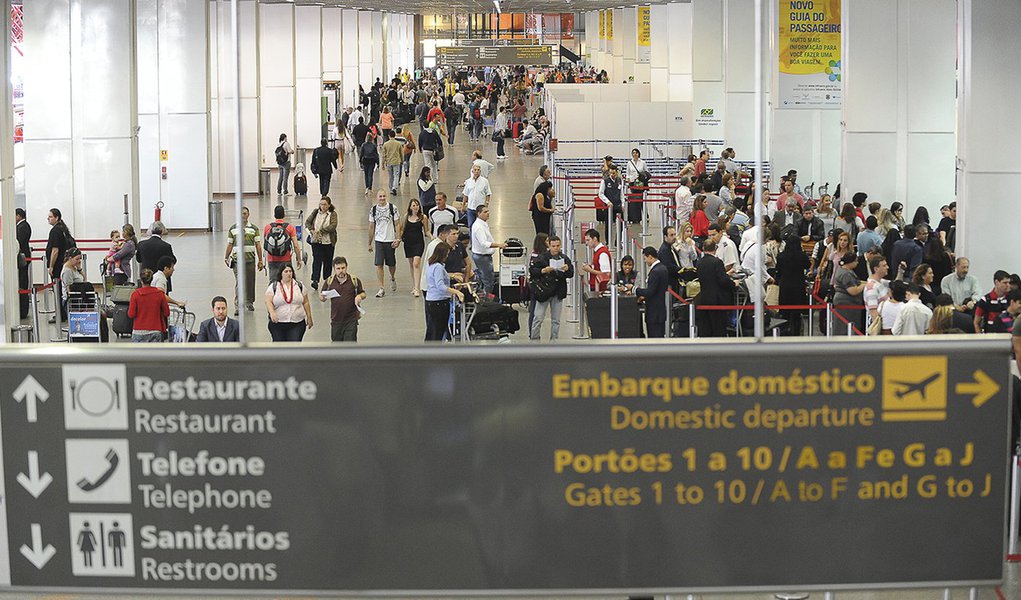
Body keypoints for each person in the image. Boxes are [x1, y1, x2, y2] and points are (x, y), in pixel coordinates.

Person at [527, 235, 573, 341]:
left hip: (558, 292)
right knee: (538, 317)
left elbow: (571, 273)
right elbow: (533, 271)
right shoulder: (542, 258)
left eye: (558, 246)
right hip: (544, 292)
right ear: (549, 245)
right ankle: (534, 339)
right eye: (553, 246)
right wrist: (543, 271)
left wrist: (567, 270)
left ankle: (554, 341)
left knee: (556, 320)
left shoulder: (564, 258)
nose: (556, 248)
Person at [224, 207, 264, 314]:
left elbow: (258, 245)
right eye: (241, 214)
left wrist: (260, 260)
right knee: (239, 282)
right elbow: (230, 244)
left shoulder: (254, 229)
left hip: (250, 260)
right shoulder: (233, 229)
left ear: (248, 215)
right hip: (237, 261)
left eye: (245, 214)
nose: (243, 216)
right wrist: (226, 257)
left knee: (250, 282)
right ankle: (238, 305)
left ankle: (249, 302)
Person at [319, 256, 366, 342]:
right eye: (338, 268)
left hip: (351, 320)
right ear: (334, 269)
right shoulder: (329, 281)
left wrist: (359, 296)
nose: (341, 270)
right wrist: (322, 297)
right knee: (337, 347)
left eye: (343, 268)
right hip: (336, 320)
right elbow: (322, 296)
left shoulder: (354, 280)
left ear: (346, 267)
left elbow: (363, 293)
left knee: (350, 345)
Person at [695, 239, 736, 337]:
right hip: (717, 301)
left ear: (703, 248)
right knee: (718, 329)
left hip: (704, 299)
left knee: (706, 329)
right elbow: (723, 280)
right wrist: (734, 284)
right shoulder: (717, 262)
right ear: (716, 248)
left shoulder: (699, 263)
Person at [424, 242, 464, 341]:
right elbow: (440, 286)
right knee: (438, 331)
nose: (447, 256)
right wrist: (456, 292)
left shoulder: (431, 265)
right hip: (439, 302)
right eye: (447, 253)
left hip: (431, 300)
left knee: (432, 331)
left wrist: (452, 287)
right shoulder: (438, 267)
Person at [265, 264, 312, 342]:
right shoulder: (274, 286)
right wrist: (272, 313)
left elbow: (306, 302)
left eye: (290, 271)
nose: (289, 273)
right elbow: (268, 301)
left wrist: (309, 317)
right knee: (280, 347)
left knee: (294, 346)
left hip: (297, 323)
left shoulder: (299, 286)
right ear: (281, 273)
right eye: (286, 271)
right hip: (278, 323)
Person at [367, 189, 400, 298]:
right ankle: (381, 287)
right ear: (377, 198)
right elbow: (371, 226)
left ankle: (392, 277)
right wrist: (369, 243)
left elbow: (397, 224)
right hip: (379, 240)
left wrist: (398, 238)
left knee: (391, 264)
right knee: (379, 264)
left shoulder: (393, 208)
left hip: (390, 240)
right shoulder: (373, 210)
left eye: (383, 196)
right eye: (380, 196)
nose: (382, 198)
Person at [775, 239, 811, 336]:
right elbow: (808, 265)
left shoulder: (781, 256)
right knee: (797, 313)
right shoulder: (802, 256)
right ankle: (796, 333)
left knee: (785, 312)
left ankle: (785, 332)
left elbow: (778, 270)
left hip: (785, 286)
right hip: (798, 286)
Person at [470, 205, 506, 295]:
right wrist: (498, 245)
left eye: (488, 211)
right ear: (478, 213)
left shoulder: (483, 223)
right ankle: (487, 301)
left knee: (487, 278)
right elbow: (484, 243)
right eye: (485, 212)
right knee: (488, 281)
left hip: (484, 256)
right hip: (482, 257)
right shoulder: (478, 227)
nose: (488, 213)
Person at [304, 197, 338, 290]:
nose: (322, 206)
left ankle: (327, 280)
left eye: (324, 204)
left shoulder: (333, 214)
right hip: (316, 241)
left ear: (329, 205)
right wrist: (312, 231)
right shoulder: (315, 212)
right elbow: (307, 222)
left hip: (328, 242)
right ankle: (315, 280)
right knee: (317, 260)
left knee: (328, 261)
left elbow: (333, 226)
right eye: (321, 204)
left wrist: (322, 231)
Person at [635, 246, 669, 338]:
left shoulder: (655, 272)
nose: (645, 261)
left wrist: (635, 290)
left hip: (654, 313)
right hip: (660, 312)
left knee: (654, 339)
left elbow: (650, 291)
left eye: (645, 258)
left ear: (650, 256)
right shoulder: (663, 268)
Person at [398, 199, 430, 297]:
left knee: (416, 263)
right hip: (408, 242)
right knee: (411, 264)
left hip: (418, 243)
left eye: (417, 205)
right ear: (410, 207)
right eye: (413, 205)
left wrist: (432, 237)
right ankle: (415, 285)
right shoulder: (406, 217)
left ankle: (417, 288)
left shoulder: (423, 217)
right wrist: (398, 239)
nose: (415, 207)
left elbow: (426, 230)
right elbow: (402, 229)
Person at [128, 269, 169, 343]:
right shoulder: (160, 294)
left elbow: (131, 314)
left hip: (138, 331)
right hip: (156, 330)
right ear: (152, 280)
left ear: (141, 280)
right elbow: (167, 313)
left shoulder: (135, 294)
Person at [264, 205, 302, 283]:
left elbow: (266, 244)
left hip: (272, 259)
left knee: (273, 282)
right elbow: (295, 245)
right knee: (287, 282)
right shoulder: (289, 227)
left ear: (274, 215)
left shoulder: (267, 227)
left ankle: (273, 294)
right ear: (284, 214)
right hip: (286, 259)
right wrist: (299, 259)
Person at [832, 253, 866, 334]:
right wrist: (864, 285)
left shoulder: (842, 270)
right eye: (856, 261)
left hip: (844, 303)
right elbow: (853, 291)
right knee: (844, 327)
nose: (857, 263)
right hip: (847, 304)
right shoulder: (846, 274)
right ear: (850, 262)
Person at [137, 221, 175, 290]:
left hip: (146, 278)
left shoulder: (141, 244)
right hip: (161, 278)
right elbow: (173, 260)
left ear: (151, 231)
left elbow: (138, 259)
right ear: (162, 231)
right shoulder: (166, 246)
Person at [597, 164, 624, 241]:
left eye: (613, 173)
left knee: (621, 224)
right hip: (609, 206)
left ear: (616, 172)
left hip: (618, 205)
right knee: (608, 225)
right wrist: (607, 202)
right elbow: (600, 193)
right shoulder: (604, 181)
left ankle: (618, 241)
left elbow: (622, 194)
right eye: (610, 173)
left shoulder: (620, 180)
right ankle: (608, 241)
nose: (612, 175)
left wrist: (622, 203)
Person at [580, 228, 612, 293]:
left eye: (588, 240)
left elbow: (606, 274)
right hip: (596, 285)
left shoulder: (602, 253)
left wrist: (589, 270)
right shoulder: (597, 251)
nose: (586, 243)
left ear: (595, 239)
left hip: (600, 288)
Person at [461, 164, 492, 230]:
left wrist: (486, 204)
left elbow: (488, 193)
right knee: (471, 226)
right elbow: (466, 194)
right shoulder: (468, 181)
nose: (477, 171)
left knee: (480, 226)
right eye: (475, 170)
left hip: (480, 209)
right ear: (472, 171)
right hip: (470, 208)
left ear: (480, 171)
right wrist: (463, 205)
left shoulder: (484, 181)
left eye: (478, 170)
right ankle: (472, 239)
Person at [625, 148, 649, 224]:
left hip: (641, 183)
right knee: (635, 200)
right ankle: (636, 216)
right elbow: (627, 173)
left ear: (638, 154)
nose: (635, 154)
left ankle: (646, 215)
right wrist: (628, 179)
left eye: (636, 153)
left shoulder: (642, 162)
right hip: (633, 183)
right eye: (633, 153)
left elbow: (646, 172)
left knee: (642, 199)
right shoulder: (629, 163)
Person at [15, 208, 31, 318]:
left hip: (22, 259)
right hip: (24, 258)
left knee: (22, 283)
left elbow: (19, 242)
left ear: (19, 216)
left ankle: (23, 310)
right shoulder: (23, 226)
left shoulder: (22, 227)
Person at [380, 129, 403, 195]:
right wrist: (402, 160)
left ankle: (390, 189)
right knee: (396, 175)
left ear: (389, 136)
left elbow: (383, 155)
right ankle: (394, 187)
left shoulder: (385, 144)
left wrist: (382, 164)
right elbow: (401, 153)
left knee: (390, 176)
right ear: (394, 135)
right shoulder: (398, 144)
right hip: (396, 161)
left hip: (389, 162)